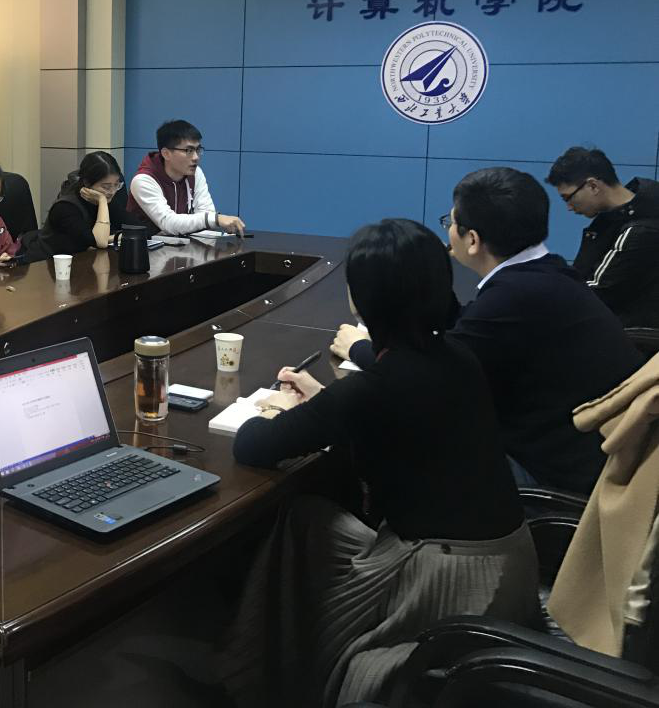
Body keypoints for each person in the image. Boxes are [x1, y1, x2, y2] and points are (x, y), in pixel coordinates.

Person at [223, 218, 537, 707]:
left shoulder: (371, 390)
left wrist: (287, 409)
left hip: (451, 585)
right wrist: (327, 402)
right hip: (512, 563)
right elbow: (400, 400)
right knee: (306, 518)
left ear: (364, 299)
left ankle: (262, 676)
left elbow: (252, 445)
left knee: (299, 521)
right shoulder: (459, 357)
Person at [332, 167, 644, 495]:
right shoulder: (548, 273)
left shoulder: (513, 298)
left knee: (398, 434)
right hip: (602, 455)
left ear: (472, 240)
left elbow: (424, 380)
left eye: (450, 223)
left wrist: (359, 348)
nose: (447, 231)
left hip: (556, 474)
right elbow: (472, 330)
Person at [546, 146, 659, 328]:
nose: (569, 207)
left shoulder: (641, 229)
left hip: (633, 335)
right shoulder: (614, 218)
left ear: (593, 186)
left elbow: (597, 293)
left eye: (568, 198)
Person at [126, 120, 244, 236]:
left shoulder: (195, 173)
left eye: (198, 150)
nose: (196, 157)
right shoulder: (143, 180)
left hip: (181, 244)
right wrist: (216, 219)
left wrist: (212, 219)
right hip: (144, 246)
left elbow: (206, 212)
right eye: (188, 150)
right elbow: (168, 223)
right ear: (166, 153)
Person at [28, 151, 128, 257]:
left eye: (116, 185)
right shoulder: (65, 207)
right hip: (46, 263)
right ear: (87, 183)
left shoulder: (108, 199)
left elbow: (136, 227)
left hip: (82, 260)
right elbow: (100, 241)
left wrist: (114, 237)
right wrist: (102, 201)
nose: (112, 191)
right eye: (106, 187)